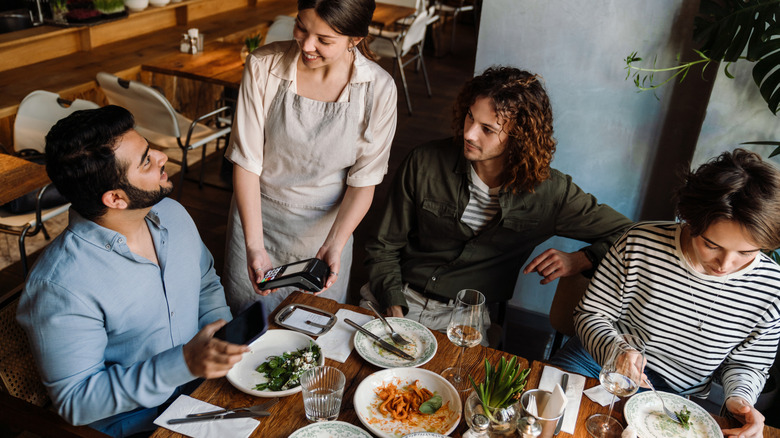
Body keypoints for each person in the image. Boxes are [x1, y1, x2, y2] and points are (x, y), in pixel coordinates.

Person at [16, 106, 248, 437]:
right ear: (116, 198)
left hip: (207, 392)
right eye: (145, 161)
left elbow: (205, 284)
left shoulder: (172, 214)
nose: (162, 156)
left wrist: (225, 339)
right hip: (138, 426)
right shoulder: (60, 285)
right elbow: (76, 402)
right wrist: (183, 364)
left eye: (149, 147)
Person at [363, 66, 632, 337]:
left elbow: (630, 235)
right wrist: (394, 306)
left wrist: (582, 259)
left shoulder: (551, 193)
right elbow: (383, 245)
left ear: (519, 138)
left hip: (463, 318)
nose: (469, 134)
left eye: (487, 130)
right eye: (470, 117)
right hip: (396, 294)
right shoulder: (424, 162)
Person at [553, 149, 780, 437]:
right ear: (689, 220)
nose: (726, 265)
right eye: (712, 245)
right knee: (552, 425)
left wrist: (739, 399)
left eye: (746, 252)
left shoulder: (771, 285)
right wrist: (617, 351)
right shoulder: (640, 243)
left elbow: (748, 362)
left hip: (672, 397)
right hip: (598, 364)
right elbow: (591, 313)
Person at [224, 0, 398, 314]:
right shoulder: (264, 65)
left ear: (355, 39)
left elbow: (364, 182)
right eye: (301, 28)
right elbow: (246, 161)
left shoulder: (378, 89)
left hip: (326, 233)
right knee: (248, 328)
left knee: (312, 333)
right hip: (256, 220)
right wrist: (254, 246)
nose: (307, 45)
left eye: (324, 40)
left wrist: (334, 244)